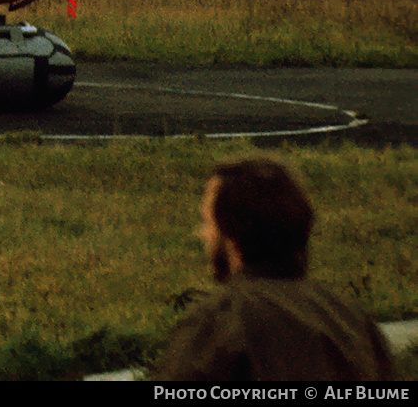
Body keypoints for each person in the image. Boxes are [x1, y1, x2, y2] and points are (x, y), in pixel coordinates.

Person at [151, 157, 395, 381]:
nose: (201, 234)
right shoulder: (351, 319)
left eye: (207, 223)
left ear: (232, 236)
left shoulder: (219, 320)